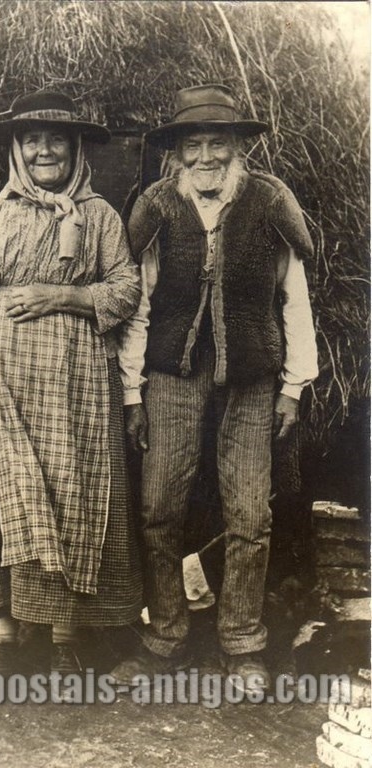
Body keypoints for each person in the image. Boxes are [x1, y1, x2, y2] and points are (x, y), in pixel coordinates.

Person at [0, 88, 142, 696]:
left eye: (57, 139)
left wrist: (63, 297)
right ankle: (1, 632)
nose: (44, 149)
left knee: (70, 493)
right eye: (33, 139)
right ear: (16, 150)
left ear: (76, 148)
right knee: (4, 493)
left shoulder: (99, 216)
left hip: (76, 386)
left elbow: (125, 292)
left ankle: (65, 640)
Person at [112, 83, 319, 693]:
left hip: (253, 378)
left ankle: (242, 642)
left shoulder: (269, 202)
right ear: (176, 152)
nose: (206, 157)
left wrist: (293, 387)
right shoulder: (156, 206)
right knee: (159, 508)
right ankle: (166, 637)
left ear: (238, 150)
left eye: (219, 144)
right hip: (172, 375)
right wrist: (131, 393)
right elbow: (139, 306)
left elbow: (294, 299)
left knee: (251, 511)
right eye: (193, 144)